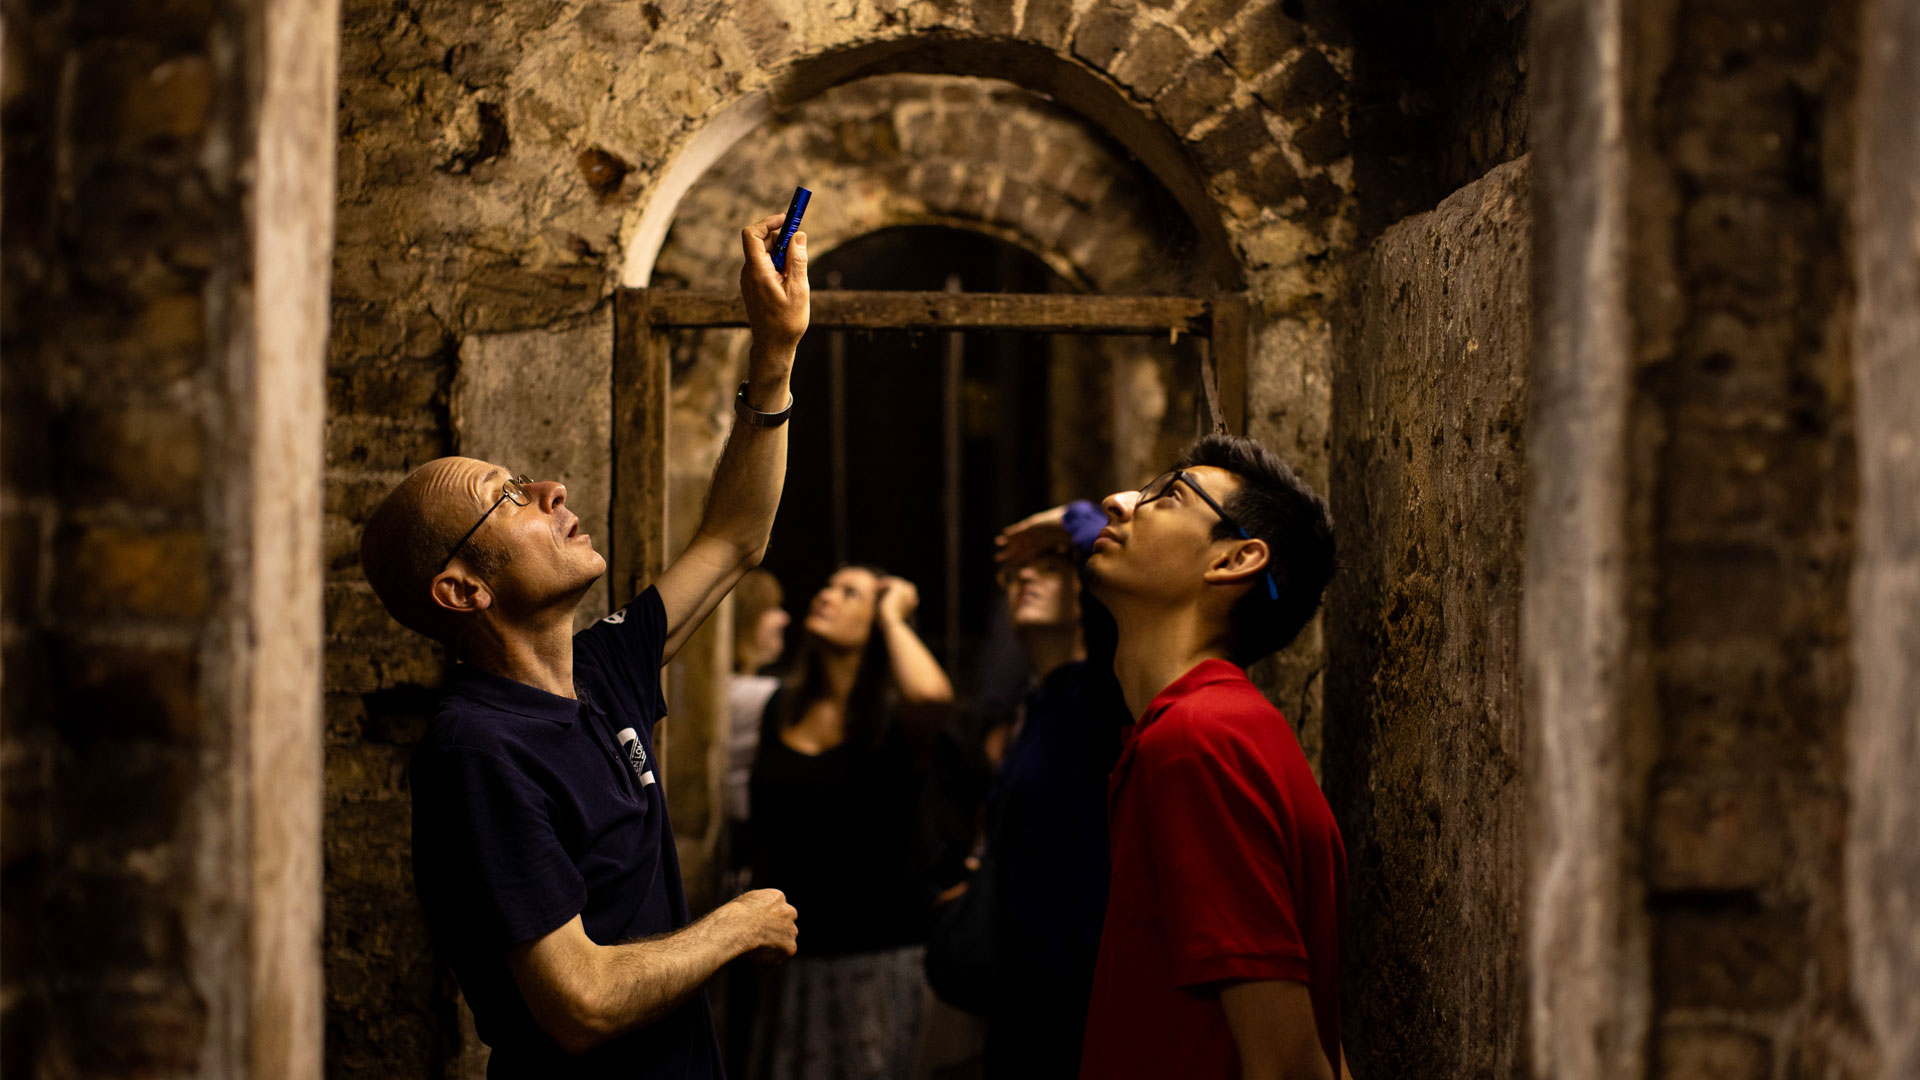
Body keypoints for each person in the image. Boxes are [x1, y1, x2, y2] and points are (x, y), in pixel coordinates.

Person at [358, 212, 809, 1079]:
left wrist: (775, 353)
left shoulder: (598, 672)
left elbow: (733, 542)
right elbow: (580, 1003)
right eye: (512, 497)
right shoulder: (477, 753)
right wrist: (733, 926)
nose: (551, 489)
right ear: (463, 589)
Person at [1077, 433, 1349, 1080]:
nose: (1117, 502)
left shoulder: (1199, 742)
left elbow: (1288, 1065)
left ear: (1235, 559)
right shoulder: (1213, 726)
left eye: (1167, 498)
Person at [744, 566, 956, 1080]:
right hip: (794, 960)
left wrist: (892, 615)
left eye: (849, 593)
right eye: (828, 585)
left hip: (876, 957)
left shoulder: (894, 717)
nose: (826, 595)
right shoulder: (781, 706)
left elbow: (932, 697)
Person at [973, 528, 1124, 1079]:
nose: (1026, 578)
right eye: (1016, 575)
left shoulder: (1102, 695)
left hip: (1079, 991)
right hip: (1024, 990)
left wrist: (1074, 519)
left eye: (1051, 568)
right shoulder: (1033, 704)